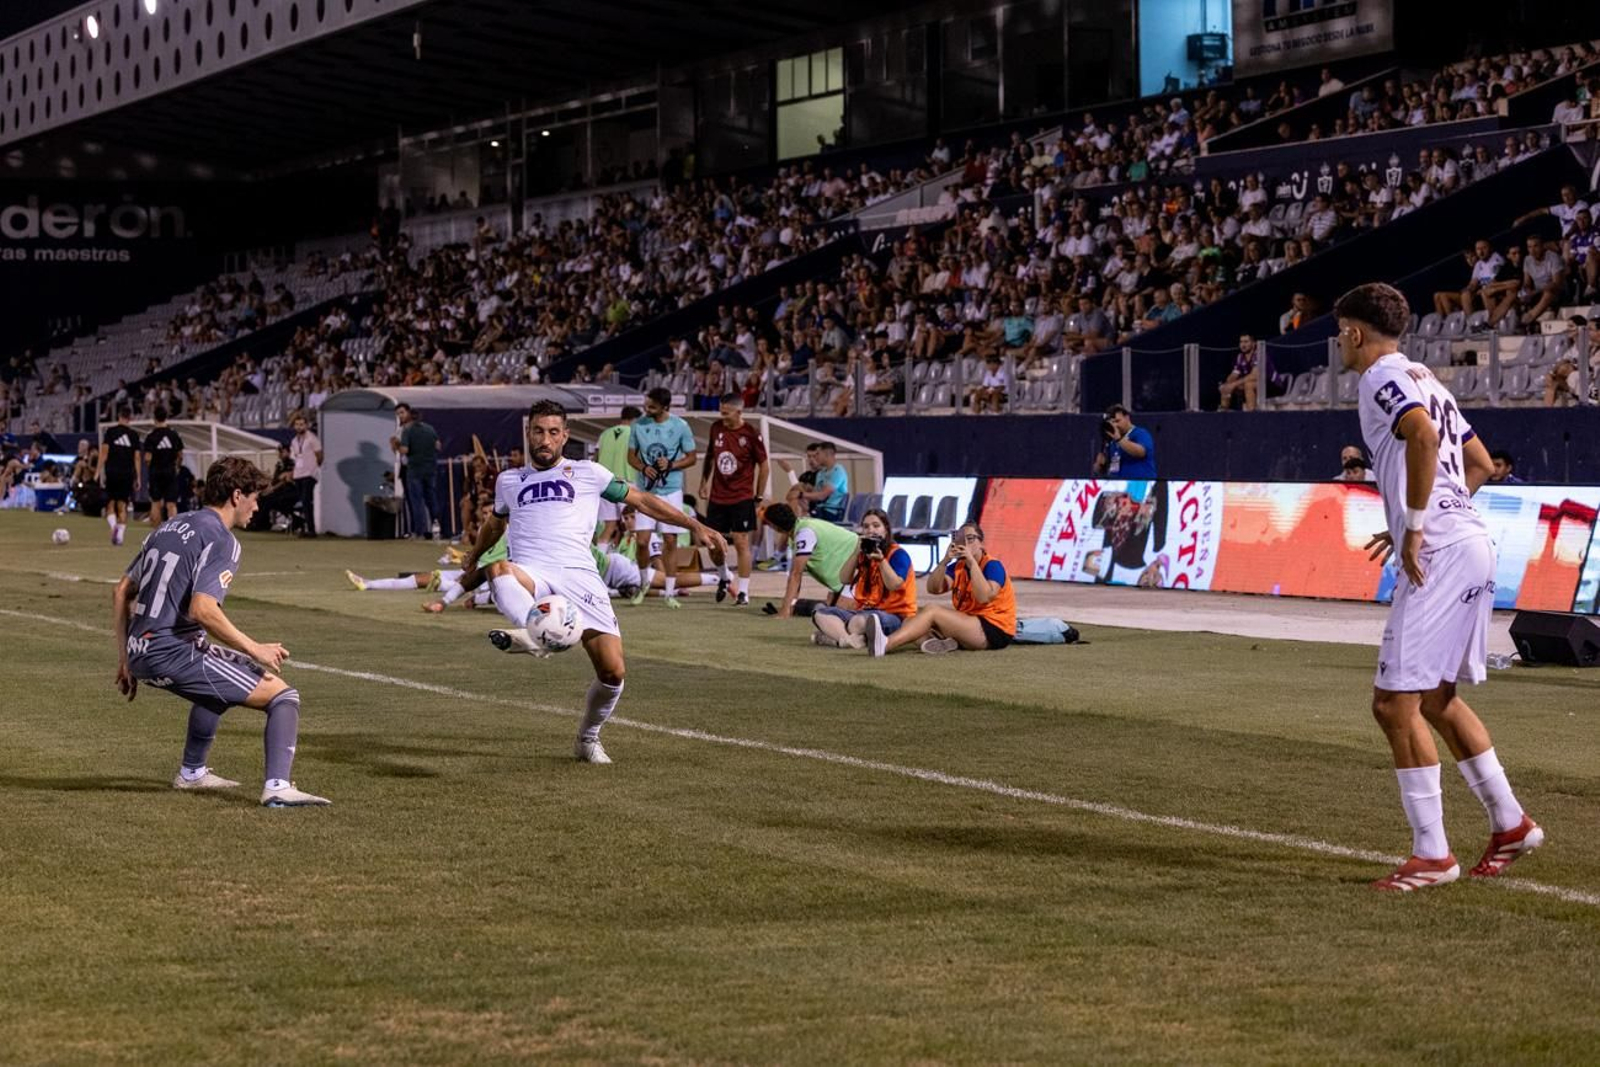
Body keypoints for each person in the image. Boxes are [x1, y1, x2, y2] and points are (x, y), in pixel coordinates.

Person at [1338, 280, 1542, 891]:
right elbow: (1477, 464)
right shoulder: (1426, 376)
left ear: (1354, 333)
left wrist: (1418, 528)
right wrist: (1421, 518)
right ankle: (1510, 823)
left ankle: (1432, 855)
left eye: (1340, 334)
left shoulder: (1379, 378)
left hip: (1444, 551)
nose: (1339, 345)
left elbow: (1422, 436)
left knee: (1392, 704)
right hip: (1473, 542)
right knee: (1437, 700)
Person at [473, 400, 728, 763]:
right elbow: (495, 524)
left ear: (564, 436)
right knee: (498, 568)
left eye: (552, 432)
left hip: (580, 576)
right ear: (529, 434)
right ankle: (534, 635)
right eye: (538, 432)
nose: (544, 439)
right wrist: (474, 554)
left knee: (613, 672)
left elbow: (641, 500)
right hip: (533, 572)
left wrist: (695, 524)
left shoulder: (588, 473)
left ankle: (587, 739)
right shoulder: (510, 480)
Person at [111, 457, 329, 807]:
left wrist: (125, 660)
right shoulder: (222, 539)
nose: (257, 506)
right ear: (236, 495)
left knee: (216, 689)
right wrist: (254, 647)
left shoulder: (168, 526)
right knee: (283, 696)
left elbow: (121, 591)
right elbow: (203, 609)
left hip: (142, 652)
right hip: (171, 652)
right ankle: (278, 787)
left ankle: (193, 773)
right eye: (254, 498)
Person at [863, 522, 1017, 656]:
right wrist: (945, 561)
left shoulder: (992, 565)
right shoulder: (957, 567)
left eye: (971, 538)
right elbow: (933, 588)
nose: (966, 543)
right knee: (910, 622)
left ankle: (885, 644)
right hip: (970, 624)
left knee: (932, 610)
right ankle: (941, 644)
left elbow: (984, 596)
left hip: (994, 629)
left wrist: (971, 561)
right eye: (961, 539)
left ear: (981, 543)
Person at [628, 387, 698, 607]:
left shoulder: (680, 426)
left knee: (670, 540)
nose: (646, 409)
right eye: (646, 405)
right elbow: (631, 456)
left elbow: (692, 457)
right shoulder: (638, 425)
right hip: (646, 491)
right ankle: (643, 583)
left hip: (671, 490)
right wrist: (643, 467)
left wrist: (672, 464)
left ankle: (669, 592)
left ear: (665, 407)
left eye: (652, 406)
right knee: (642, 542)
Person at [810, 508, 917, 648]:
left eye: (876, 526)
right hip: (864, 610)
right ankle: (847, 640)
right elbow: (844, 579)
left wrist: (881, 560)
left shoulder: (898, 554)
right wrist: (855, 552)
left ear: (886, 529)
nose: (870, 530)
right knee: (819, 613)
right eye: (866, 527)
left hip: (895, 615)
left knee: (858, 622)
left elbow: (894, 585)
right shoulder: (863, 555)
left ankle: (833, 637)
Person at [700, 393, 768, 607]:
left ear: (739, 412)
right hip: (718, 496)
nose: (723, 416)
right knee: (712, 544)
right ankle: (724, 575)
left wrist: (758, 495)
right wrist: (704, 481)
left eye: (726, 413)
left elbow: (764, 465)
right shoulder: (716, 428)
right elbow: (711, 455)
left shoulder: (750, 434)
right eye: (721, 412)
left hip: (742, 496)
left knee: (741, 541)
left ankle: (744, 592)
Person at [761, 503, 857, 619]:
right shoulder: (801, 527)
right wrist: (789, 607)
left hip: (860, 570)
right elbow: (797, 577)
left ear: (775, 526)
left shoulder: (804, 533)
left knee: (837, 615)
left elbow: (796, 574)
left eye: (768, 524)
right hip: (850, 574)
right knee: (830, 608)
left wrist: (785, 610)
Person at [391, 402, 440, 539]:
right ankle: (436, 528)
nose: (400, 416)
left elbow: (405, 450)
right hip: (430, 468)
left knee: (416, 501)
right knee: (431, 499)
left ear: (410, 416)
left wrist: (396, 446)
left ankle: (420, 531)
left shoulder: (407, 430)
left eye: (402, 413)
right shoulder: (430, 429)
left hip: (413, 469)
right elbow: (438, 445)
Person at [594, 404, 641, 546]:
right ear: (635, 420)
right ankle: (633, 559)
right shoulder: (634, 434)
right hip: (626, 483)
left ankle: (600, 558)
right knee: (633, 524)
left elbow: (595, 458)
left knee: (609, 525)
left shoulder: (604, 434)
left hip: (605, 484)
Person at [97, 406, 142, 545]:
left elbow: (104, 453)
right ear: (130, 418)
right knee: (122, 505)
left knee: (110, 504)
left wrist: (98, 471)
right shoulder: (134, 435)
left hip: (112, 472)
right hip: (127, 473)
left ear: (119, 417)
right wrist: (138, 477)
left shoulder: (110, 432)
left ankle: (113, 527)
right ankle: (120, 536)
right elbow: (137, 458)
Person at [143, 407, 185, 527]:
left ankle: (156, 534)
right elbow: (180, 455)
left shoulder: (151, 436)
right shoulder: (174, 435)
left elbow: (147, 458)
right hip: (170, 471)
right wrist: (177, 467)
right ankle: (172, 533)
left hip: (156, 471)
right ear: (166, 417)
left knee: (156, 502)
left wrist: (150, 468)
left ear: (154, 418)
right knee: (171, 504)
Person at [788, 441, 850, 522]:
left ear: (827, 454)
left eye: (818, 454)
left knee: (802, 525)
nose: (815, 457)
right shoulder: (821, 473)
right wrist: (803, 490)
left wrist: (801, 494)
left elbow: (822, 495)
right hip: (819, 510)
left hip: (830, 513)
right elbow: (815, 495)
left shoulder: (838, 471)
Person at [1093, 404, 1156, 478]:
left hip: (1140, 483)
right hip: (1118, 484)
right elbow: (1100, 470)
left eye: (1117, 421)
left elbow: (1141, 452)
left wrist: (1119, 439)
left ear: (1127, 418)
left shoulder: (1140, 433)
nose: (1115, 425)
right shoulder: (1111, 440)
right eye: (1112, 423)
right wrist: (1099, 465)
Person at [288, 413, 323, 537]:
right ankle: (305, 527)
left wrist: (314, 468)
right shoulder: (294, 441)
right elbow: (295, 458)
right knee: (303, 502)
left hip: (309, 474)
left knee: (306, 501)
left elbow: (319, 456)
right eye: (297, 425)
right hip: (298, 474)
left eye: (301, 424)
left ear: (306, 425)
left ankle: (311, 529)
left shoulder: (312, 439)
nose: (299, 427)